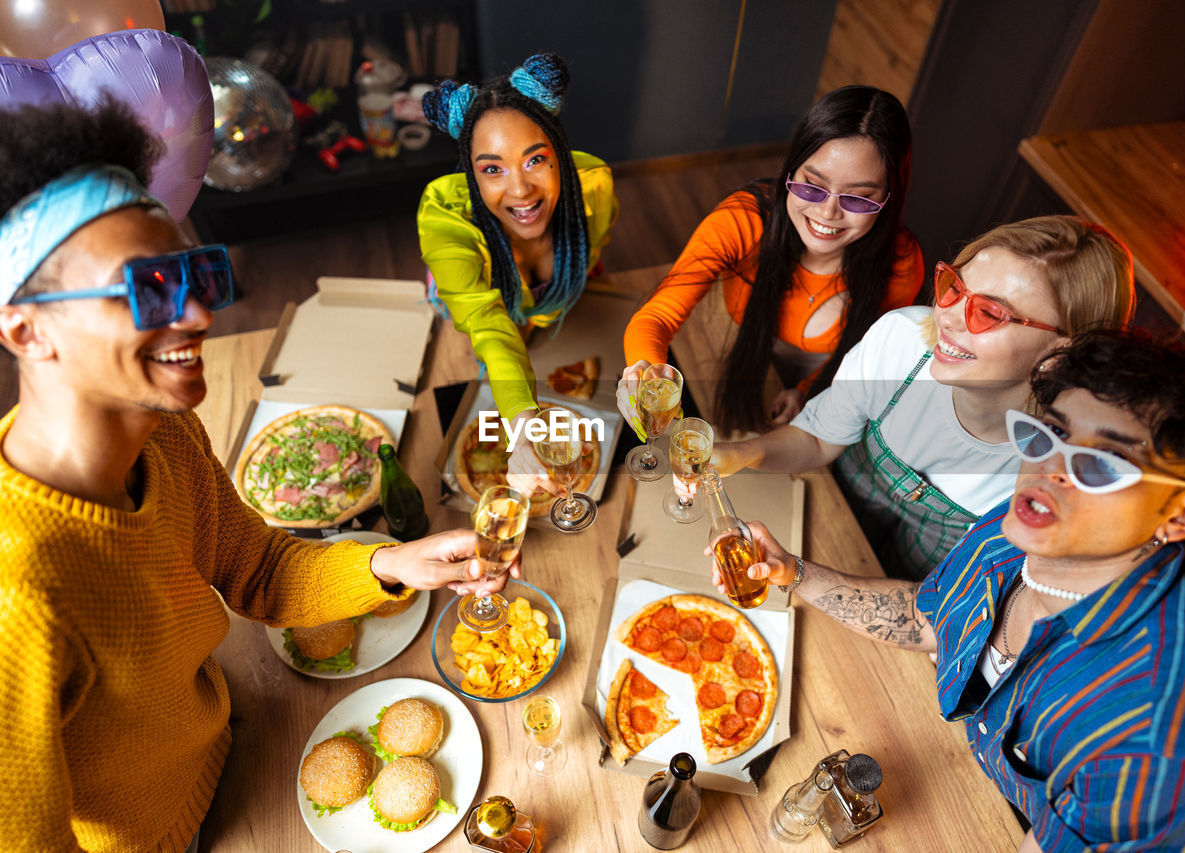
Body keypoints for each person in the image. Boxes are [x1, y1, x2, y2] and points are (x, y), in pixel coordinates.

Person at [0, 99, 512, 852]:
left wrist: (391, 562)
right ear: (26, 328)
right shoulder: (19, 598)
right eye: (148, 287)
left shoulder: (167, 435)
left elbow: (257, 568)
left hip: (240, 741)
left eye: (197, 275)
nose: (201, 313)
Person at [712, 329, 1185, 852]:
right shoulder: (1020, 530)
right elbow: (930, 617)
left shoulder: (1170, 741)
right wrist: (795, 573)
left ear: (1181, 516)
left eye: (1101, 465)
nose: (1047, 468)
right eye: (1051, 433)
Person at [709, 215, 1135, 580]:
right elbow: (818, 439)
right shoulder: (902, 341)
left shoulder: (1054, 464)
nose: (947, 316)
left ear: (1066, 351)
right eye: (954, 287)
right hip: (820, 524)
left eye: (988, 312)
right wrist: (743, 452)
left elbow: (955, 605)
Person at [621, 85, 922, 434]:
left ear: (888, 199)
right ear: (790, 172)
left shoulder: (900, 262)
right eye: (812, 185)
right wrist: (646, 371)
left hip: (834, 377)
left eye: (858, 199)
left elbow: (864, 353)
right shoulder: (745, 220)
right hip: (751, 351)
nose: (827, 212)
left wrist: (806, 391)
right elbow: (656, 316)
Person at [419, 53, 617, 495]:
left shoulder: (595, 185)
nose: (520, 190)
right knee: (496, 342)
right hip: (476, 300)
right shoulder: (442, 220)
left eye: (535, 160)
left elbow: (595, 245)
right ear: (470, 174)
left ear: (559, 154)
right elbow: (489, 325)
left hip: (548, 300)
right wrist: (525, 425)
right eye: (492, 169)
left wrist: (547, 308)